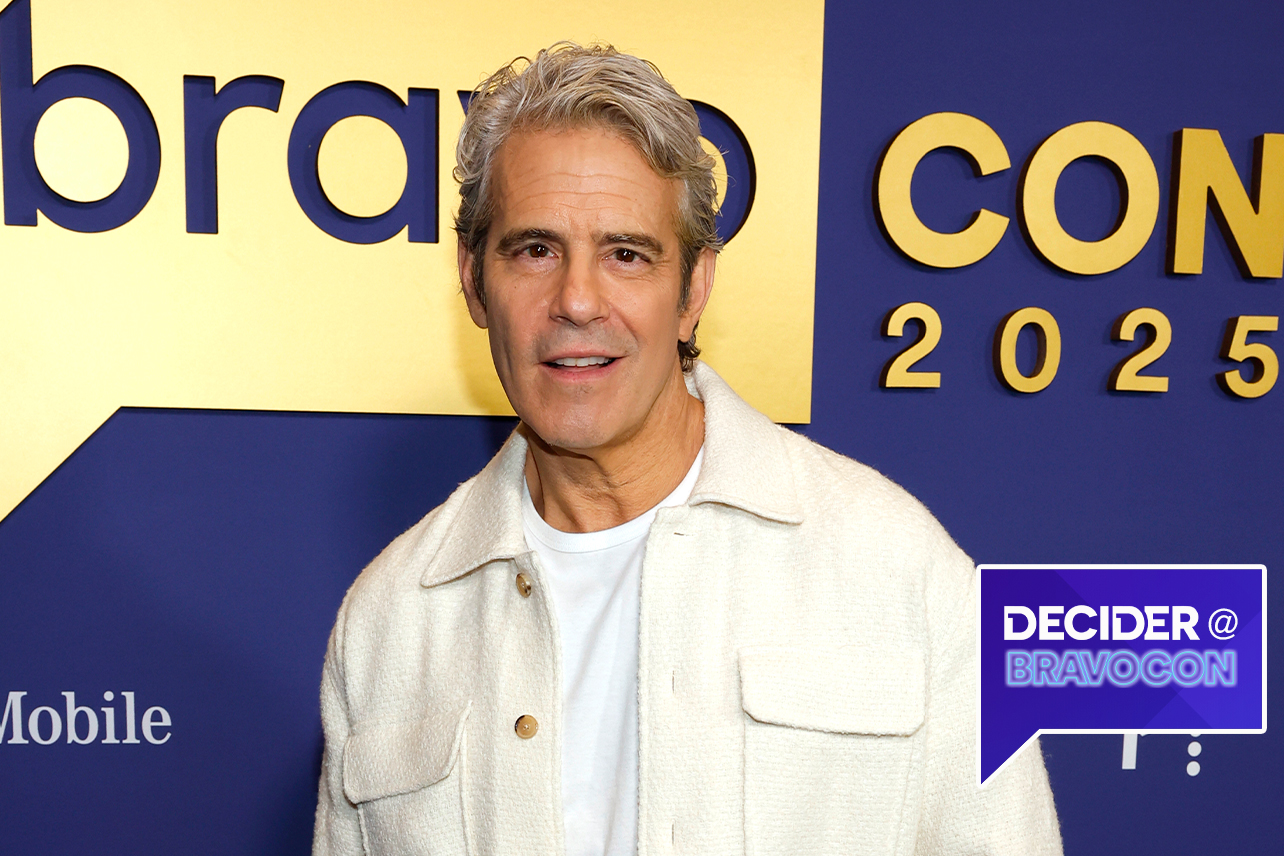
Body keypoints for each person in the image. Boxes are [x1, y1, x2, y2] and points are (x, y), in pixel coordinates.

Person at [313, 42, 1062, 856]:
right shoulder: (390, 618)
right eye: (535, 250)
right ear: (472, 278)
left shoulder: (898, 568)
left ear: (693, 289)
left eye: (626, 254)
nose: (576, 300)